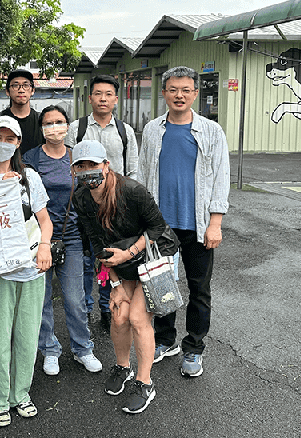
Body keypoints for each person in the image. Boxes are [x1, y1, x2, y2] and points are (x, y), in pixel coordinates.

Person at [136, 66, 230, 378]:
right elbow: (142, 177)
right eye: (173, 89)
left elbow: (221, 179)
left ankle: (194, 348)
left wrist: (215, 222)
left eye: (186, 90)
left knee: (199, 289)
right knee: (160, 284)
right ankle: (165, 341)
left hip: (199, 226)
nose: (179, 95)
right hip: (161, 226)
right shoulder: (152, 130)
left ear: (195, 93)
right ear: (163, 93)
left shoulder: (211, 131)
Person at [71, 140, 177, 414]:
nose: (87, 171)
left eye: (92, 165)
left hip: (151, 255)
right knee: (118, 314)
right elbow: (96, 243)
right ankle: (122, 367)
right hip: (120, 262)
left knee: (138, 318)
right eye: (80, 166)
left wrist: (128, 253)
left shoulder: (132, 191)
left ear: (106, 165)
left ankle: (145, 383)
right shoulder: (82, 198)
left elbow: (157, 227)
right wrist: (115, 283)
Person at [0, 116, 52, 427]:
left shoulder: (29, 178)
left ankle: (21, 394)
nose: (3, 143)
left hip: (31, 267)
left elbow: (45, 220)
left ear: (17, 143)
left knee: (27, 337)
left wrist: (45, 247)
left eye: (10, 138)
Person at [22, 105, 102, 377]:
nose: (54, 127)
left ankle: (83, 348)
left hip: (72, 235)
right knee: (41, 299)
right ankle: (50, 349)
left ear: (67, 125)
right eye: (48, 123)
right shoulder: (31, 158)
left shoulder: (75, 156)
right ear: (41, 128)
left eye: (59, 122)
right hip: (39, 237)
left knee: (75, 297)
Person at [65, 74, 139, 330]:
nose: (103, 98)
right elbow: (68, 167)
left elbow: (133, 171)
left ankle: (108, 307)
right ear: (90, 98)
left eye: (108, 94)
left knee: (109, 258)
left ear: (116, 99)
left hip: (114, 206)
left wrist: (129, 206)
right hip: (84, 205)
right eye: (98, 93)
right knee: (86, 258)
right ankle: (85, 307)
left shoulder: (125, 131)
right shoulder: (77, 128)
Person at [0, 69, 43, 154]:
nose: (21, 90)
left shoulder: (41, 120)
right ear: (7, 91)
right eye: (15, 85)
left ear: (32, 90)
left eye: (26, 85)